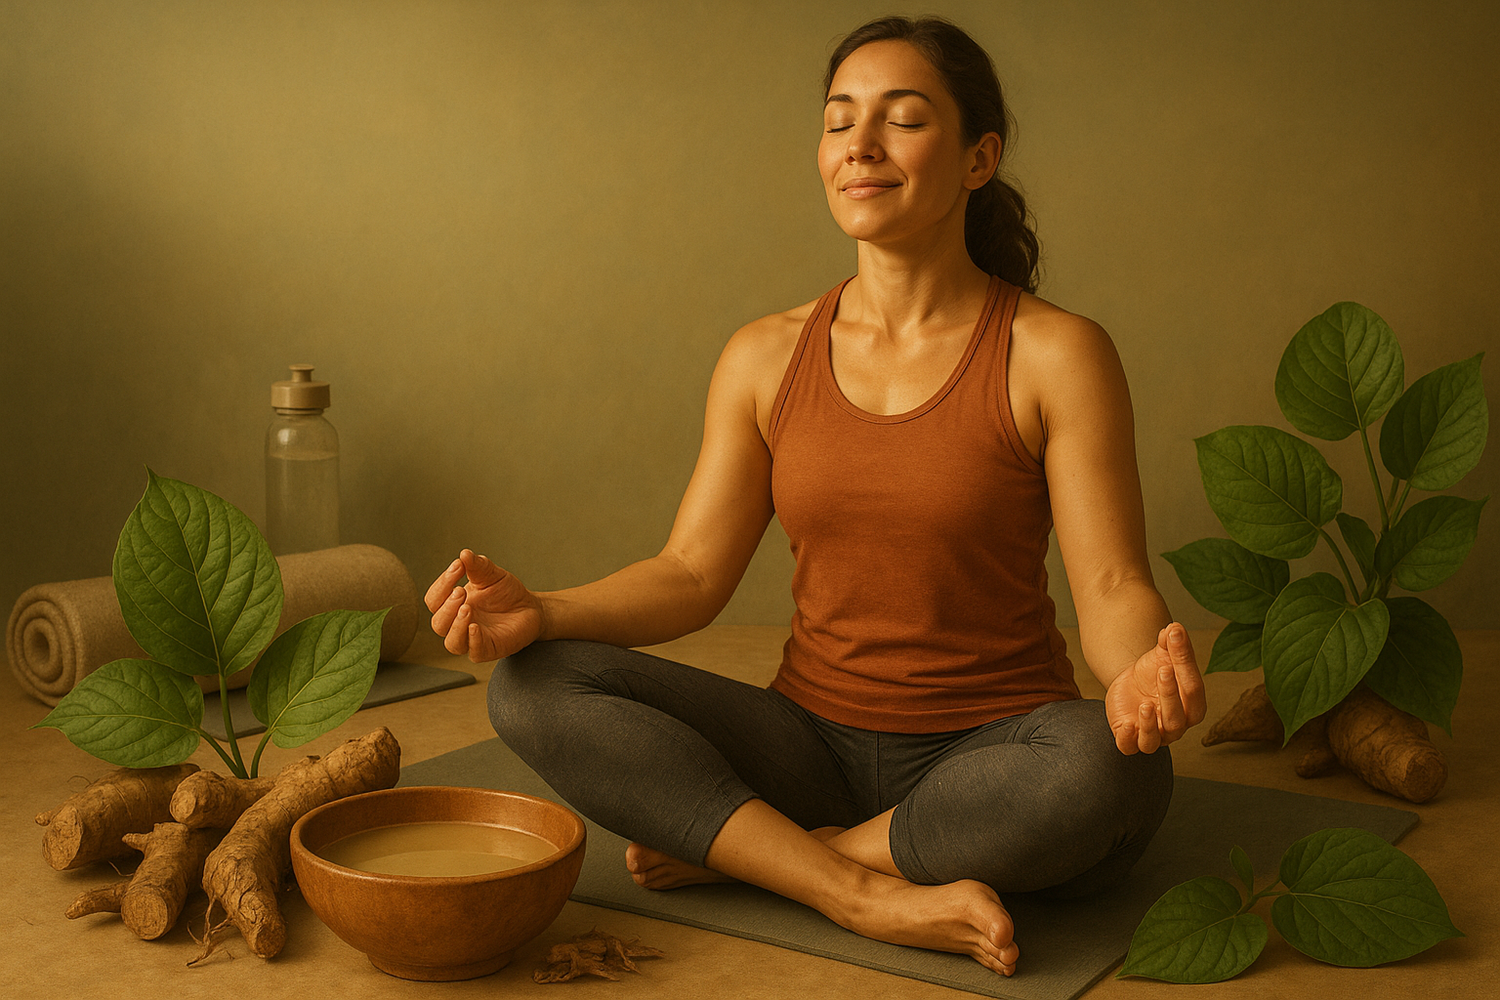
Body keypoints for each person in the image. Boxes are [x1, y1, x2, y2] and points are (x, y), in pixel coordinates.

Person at [426, 15, 1206, 979]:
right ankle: (857, 888)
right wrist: (541, 612)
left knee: (1110, 767)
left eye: (903, 120)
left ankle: (775, 858)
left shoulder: (1054, 353)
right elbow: (690, 573)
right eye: (840, 122)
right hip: (804, 749)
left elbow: (1115, 581)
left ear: (978, 158)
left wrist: (1137, 675)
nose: (861, 148)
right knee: (536, 683)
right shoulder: (764, 355)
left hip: (993, 754)